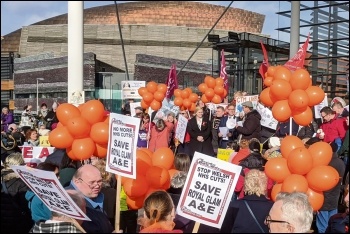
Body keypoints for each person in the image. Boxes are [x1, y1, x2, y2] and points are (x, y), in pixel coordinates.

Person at [65, 164, 114, 233]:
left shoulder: (96, 197)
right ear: (77, 182)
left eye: (99, 181)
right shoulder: (71, 202)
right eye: (92, 182)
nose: (97, 185)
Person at [316, 141, 346, 233]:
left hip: (324, 199)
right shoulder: (341, 162)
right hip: (335, 198)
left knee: (323, 227)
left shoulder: (326, 163)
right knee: (333, 225)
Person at [1, 152, 34, 233]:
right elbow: (26, 204)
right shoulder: (21, 182)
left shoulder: (2, 178)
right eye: (23, 163)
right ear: (19, 166)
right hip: (17, 222)